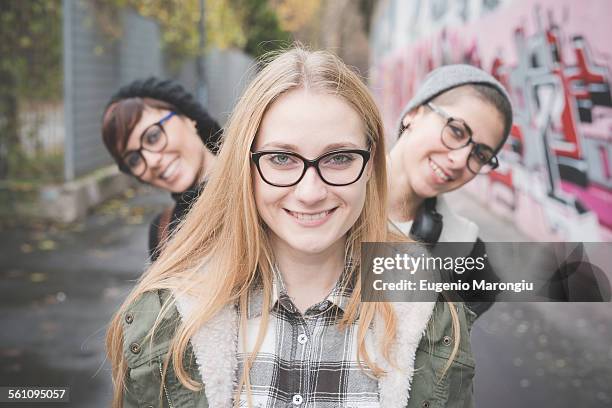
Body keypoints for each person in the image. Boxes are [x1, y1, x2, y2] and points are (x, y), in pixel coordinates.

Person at [106, 48, 477, 408]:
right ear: (245, 165)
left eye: (340, 157)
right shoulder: (164, 319)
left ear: (370, 164)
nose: (311, 192)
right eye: (281, 158)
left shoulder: (430, 315)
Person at [387, 64, 513, 315]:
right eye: (456, 131)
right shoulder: (320, 194)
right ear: (414, 113)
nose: (459, 160)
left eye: (480, 154)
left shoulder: (467, 258)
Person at [101, 78, 222, 261]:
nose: (150, 161)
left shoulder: (262, 186)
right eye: (134, 159)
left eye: (153, 137)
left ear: (189, 118)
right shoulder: (162, 232)